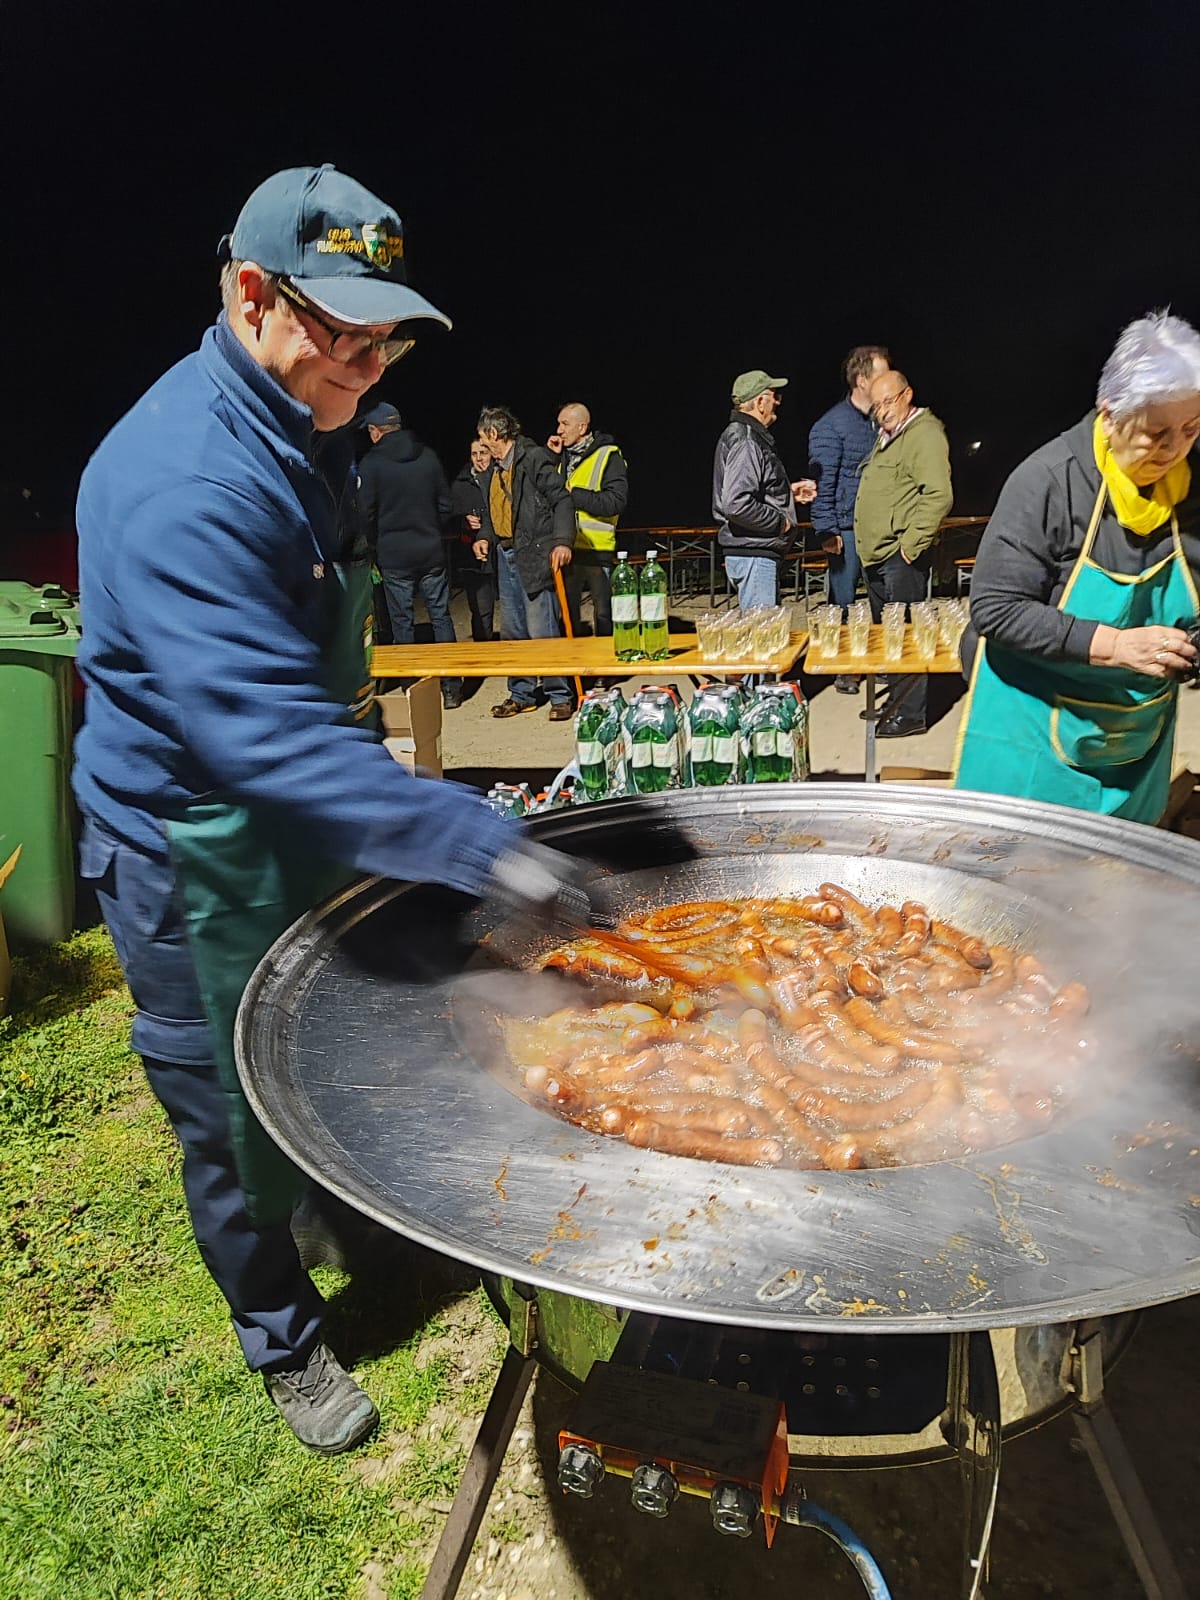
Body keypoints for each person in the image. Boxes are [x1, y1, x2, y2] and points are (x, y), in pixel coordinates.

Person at [71, 164, 588, 1457]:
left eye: (386, 341)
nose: (365, 367)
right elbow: (259, 737)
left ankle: (352, 1211)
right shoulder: (187, 481)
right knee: (226, 1112)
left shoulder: (305, 422)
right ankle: (283, 1336)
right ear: (252, 294)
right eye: (343, 334)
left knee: (353, 1035)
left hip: (303, 806)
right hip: (192, 845)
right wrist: (481, 844)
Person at [955, 311, 1200, 821]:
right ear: (1110, 416)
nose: (1174, 449)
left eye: (1190, 429)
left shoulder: (1189, 490)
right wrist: (1118, 646)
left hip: (1135, 736)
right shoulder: (1050, 481)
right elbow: (996, 608)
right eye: (1156, 432)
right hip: (1035, 722)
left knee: (1122, 864)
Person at [854, 369, 953, 736]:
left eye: (889, 401)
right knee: (890, 637)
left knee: (907, 636)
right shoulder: (889, 436)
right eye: (876, 405)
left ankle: (910, 715)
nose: (882, 410)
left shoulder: (923, 434)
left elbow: (939, 495)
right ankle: (896, 703)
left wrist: (910, 548)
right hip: (878, 556)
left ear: (907, 395)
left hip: (900, 558)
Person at [357, 403, 462, 710]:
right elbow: (446, 506)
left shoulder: (371, 464)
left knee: (402, 622)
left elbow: (364, 514)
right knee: (441, 617)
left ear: (376, 432)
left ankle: (412, 690)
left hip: (394, 556)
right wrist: (431, 529)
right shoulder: (428, 457)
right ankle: (451, 689)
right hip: (431, 551)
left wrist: (375, 542)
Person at [474, 404, 576, 720]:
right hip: (506, 555)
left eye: (483, 437)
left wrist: (562, 541)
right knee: (513, 630)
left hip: (534, 554)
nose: (482, 443)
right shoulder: (494, 469)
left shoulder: (532, 458)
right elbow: (495, 509)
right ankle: (521, 694)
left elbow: (563, 500)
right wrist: (485, 536)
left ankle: (560, 695)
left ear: (494, 433)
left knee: (542, 628)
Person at [808, 345, 891, 693]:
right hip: (845, 528)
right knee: (842, 602)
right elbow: (822, 482)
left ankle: (882, 662)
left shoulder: (880, 420)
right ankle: (845, 668)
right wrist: (826, 529)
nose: (888, 380)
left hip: (879, 527)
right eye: (882, 374)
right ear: (862, 380)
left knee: (882, 598)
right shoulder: (831, 425)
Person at [712, 370, 816, 610]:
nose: (777, 402)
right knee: (763, 629)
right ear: (760, 402)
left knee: (763, 627)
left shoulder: (744, 436)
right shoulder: (747, 440)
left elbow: (749, 490)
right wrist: (781, 523)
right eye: (774, 396)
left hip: (752, 552)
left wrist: (787, 494)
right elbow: (737, 504)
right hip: (754, 554)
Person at [546, 402, 629, 637]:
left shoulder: (608, 455)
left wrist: (573, 495)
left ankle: (606, 660)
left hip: (596, 550)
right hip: (566, 550)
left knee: (604, 616)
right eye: (558, 424)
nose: (559, 430)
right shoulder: (560, 456)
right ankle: (574, 660)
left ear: (582, 428)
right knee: (567, 616)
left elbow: (615, 502)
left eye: (565, 424)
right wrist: (550, 457)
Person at [449, 438, 497, 643]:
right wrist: (463, 520)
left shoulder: (501, 477)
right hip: (474, 557)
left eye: (483, 453)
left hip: (502, 551)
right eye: (474, 454)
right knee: (480, 609)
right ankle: (483, 649)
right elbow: (449, 518)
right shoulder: (460, 485)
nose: (479, 459)